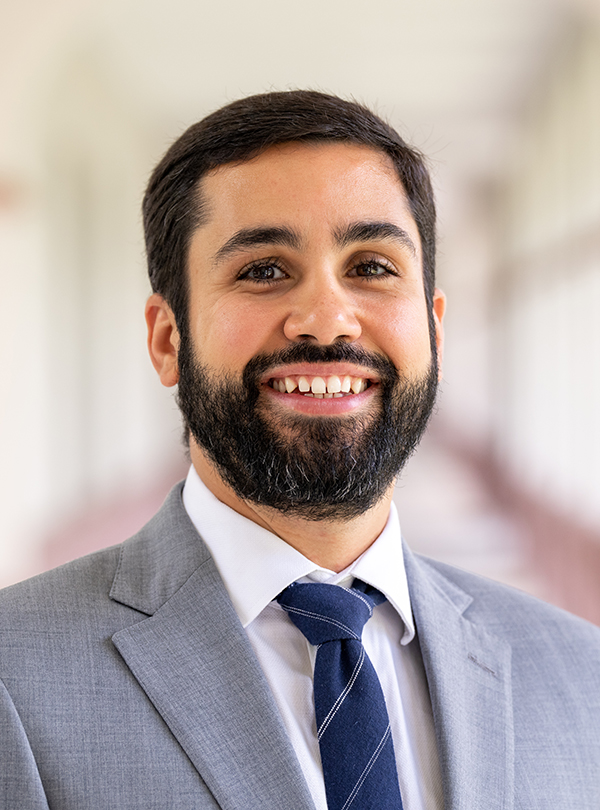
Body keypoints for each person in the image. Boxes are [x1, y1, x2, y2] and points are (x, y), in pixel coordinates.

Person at [1, 91, 599, 810]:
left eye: (373, 266)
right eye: (262, 270)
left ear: (435, 332)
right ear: (168, 339)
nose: (325, 319)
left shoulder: (578, 675)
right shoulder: (17, 677)